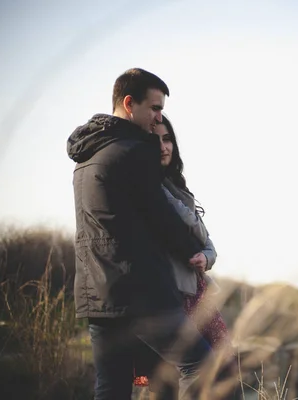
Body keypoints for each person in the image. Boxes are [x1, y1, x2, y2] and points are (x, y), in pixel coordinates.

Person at [67, 68, 213, 400]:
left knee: (112, 387)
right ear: (130, 103)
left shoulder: (85, 158)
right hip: (141, 291)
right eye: (155, 108)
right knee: (200, 366)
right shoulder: (135, 151)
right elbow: (160, 216)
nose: (158, 117)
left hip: (96, 292)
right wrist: (194, 248)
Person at [132, 115, 233, 397]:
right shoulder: (145, 187)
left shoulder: (177, 185)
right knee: (158, 383)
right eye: (156, 141)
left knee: (224, 366)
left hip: (192, 294)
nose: (164, 147)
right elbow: (188, 227)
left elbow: (205, 240)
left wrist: (207, 256)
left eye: (168, 140)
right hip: (160, 297)